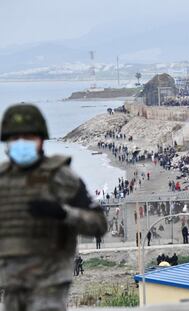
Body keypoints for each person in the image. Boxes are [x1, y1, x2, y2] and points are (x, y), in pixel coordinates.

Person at [0, 103, 108, 311]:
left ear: (40, 140)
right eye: (15, 138)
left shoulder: (62, 177)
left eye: (28, 138)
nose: (21, 143)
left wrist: (63, 213)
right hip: (12, 282)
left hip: (50, 281)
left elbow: (98, 225)